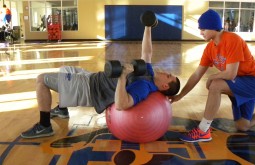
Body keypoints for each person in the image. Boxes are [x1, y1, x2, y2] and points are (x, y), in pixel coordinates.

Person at [21, 22, 181, 139]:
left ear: (165, 85)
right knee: (65, 69)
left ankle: (44, 125)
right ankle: (62, 108)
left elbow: (121, 104)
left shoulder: (144, 87)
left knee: (41, 79)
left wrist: (122, 77)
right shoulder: (149, 74)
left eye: (168, 75)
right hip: (91, 77)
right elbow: (147, 52)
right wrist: (148, 27)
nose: (166, 72)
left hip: (89, 89)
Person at [170, 9, 255, 143]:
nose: (200, 32)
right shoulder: (210, 48)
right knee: (243, 125)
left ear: (213, 27)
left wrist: (211, 78)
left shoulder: (232, 39)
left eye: (203, 29)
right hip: (239, 83)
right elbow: (197, 74)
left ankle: (203, 130)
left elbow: (230, 73)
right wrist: (180, 96)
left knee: (215, 84)